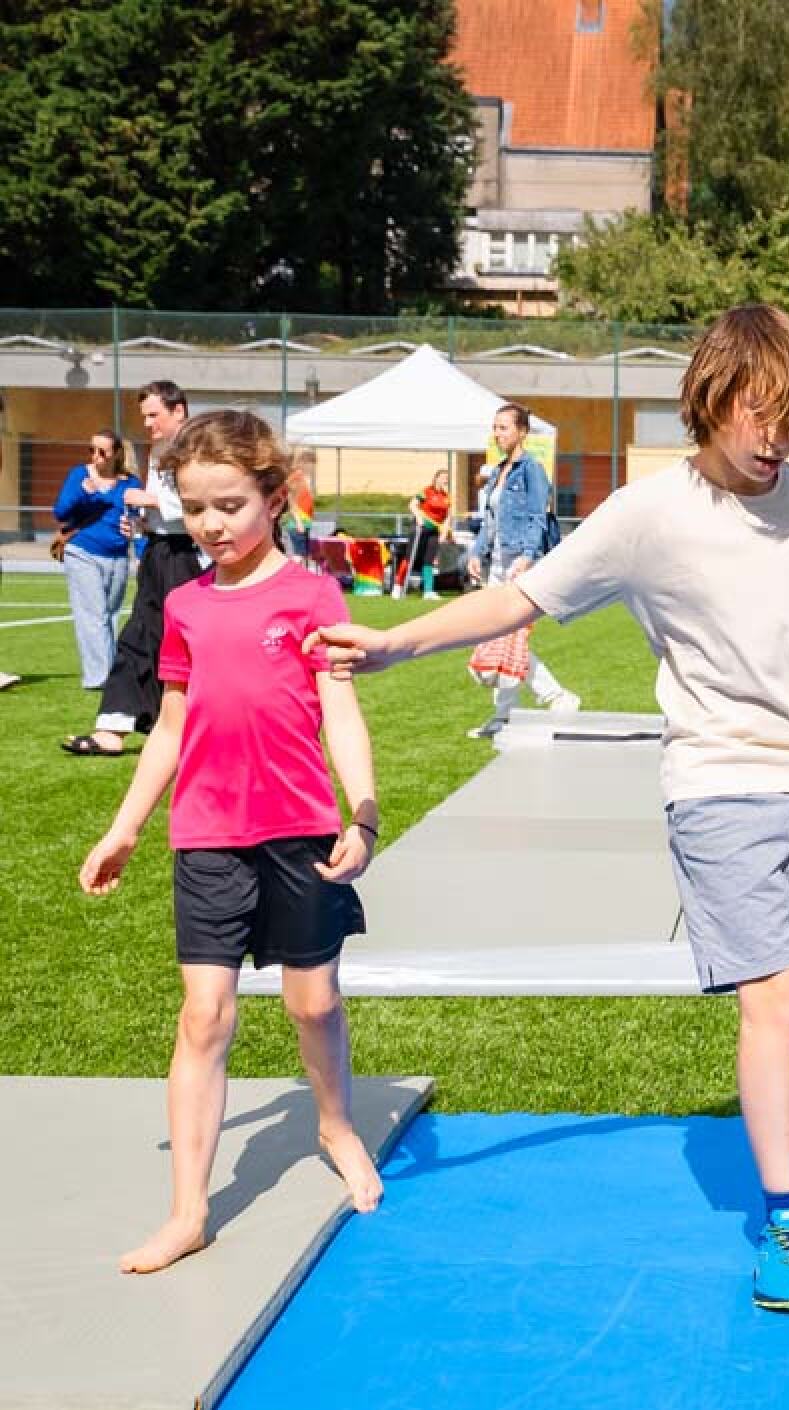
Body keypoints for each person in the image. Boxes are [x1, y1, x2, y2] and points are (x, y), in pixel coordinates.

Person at [307, 303, 789, 1315]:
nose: (777, 440)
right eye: (760, 416)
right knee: (777, 998)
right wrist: (397, 641)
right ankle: (786, 1221)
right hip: (719, 786)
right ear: (711, 398)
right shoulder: (644, 514)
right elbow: (518, 601)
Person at [76, 409, 384, 1274]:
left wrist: (362, 816)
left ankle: (335, 1125)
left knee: (312, 1004)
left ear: (275, 499)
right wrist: (125, 828)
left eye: (230, 505)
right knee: (204, 1014)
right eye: (195, 507)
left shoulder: (313, 597)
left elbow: (340, 712)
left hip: (300, 833)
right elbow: (171, 726)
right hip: (208, 836)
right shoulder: (184, 606)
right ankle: (189, 1211)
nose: (210, 524)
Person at [60, 382, 207, 757]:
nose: (146, 423)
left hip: (188, 556)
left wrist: (151, 501)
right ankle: (113, 727)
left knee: (190, 642)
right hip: (159, 552)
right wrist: (142, 523)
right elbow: (165, 510)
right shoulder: (158, 450)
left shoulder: (200, 447)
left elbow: (204, 504)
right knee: (138, 635)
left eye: (153, 414)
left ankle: (195, 726)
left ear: (178, 410)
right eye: (144, 416)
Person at [463, 404, 579, 738]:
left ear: (522, 432)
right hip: (499, 566)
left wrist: (527, 556)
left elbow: (538, 517)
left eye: (504, 428)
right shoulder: (498, 471)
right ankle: (519, 710)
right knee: (502, 639)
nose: (497, 434)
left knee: (510, 638)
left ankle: (542, 701)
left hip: (521, 565)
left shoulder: (532, 470)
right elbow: (490, 521)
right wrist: (476, 552)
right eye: (495, 428)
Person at [52, 430, 140, 691]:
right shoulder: (80, 475)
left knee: (109, 615)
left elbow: (138, 520)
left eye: (102, 452)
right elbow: (61, 512)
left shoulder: (130, 483)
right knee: (93, 616)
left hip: (118, 557)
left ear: (116, 454)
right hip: (83, 552)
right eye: (91, 450)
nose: (95, 456)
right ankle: (100, 678)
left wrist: (140, 551)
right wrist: (84, 493)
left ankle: (108, 671)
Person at [401, 469, 451, 599]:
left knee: (429, 559)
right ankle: (398, 585)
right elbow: (412, 505)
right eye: (443, 477)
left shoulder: (446, 497)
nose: (445, 479)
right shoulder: (427, 491)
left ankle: (428, 591)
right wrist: (418, 516)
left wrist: (444, 533)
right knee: (410, 557)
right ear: (436, 478)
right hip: (420, 528)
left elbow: (447, 517)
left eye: (447, 478)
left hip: (433, 531)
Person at [282, 447, 316, 566]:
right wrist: (298, 521)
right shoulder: (296, 477)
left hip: (304, 521)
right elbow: (291, 500)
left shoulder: (304, 478)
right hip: (297, 523)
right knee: (298, 554)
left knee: (303, 554)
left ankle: (301, 574)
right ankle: (291, 573)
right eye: (311, 464)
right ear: (304, 463)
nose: (312, 468)